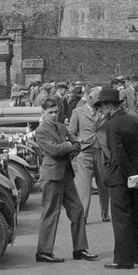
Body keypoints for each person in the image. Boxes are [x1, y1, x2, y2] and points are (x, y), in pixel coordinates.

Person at [32, 98, 97, 263]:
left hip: (66, 174)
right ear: (43, 113)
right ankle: (44, 252)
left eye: (56, 112)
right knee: (50, 213)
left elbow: (76, 144)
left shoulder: (61, 127)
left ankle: (80, 248)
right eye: (50, 112)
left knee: (78, 210)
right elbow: (53, 150)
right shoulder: (40, 131)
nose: (54, 115)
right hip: (52, 176)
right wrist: (68, 145)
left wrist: (68, 146)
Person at [95, 88, 138, 269]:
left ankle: (123, 259)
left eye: (102, 107)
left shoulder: (111, 125)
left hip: (120, 178)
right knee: (134, 216)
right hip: (135, 176)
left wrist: (131, 176)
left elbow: (118, 154)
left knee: (121, 220)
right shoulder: (135, 121)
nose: (102, 111)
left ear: (110, 107)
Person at [68, 86, 110, 223]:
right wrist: (78, 144)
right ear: (90, 98)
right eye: (98, 97)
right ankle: (84, 215)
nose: (100, 100)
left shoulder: (104, 111)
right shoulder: (78, 112)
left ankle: (105, 212)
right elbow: (72, 133)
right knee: (84, 185)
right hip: (85, 151)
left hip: (102, 151)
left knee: (103, 183)